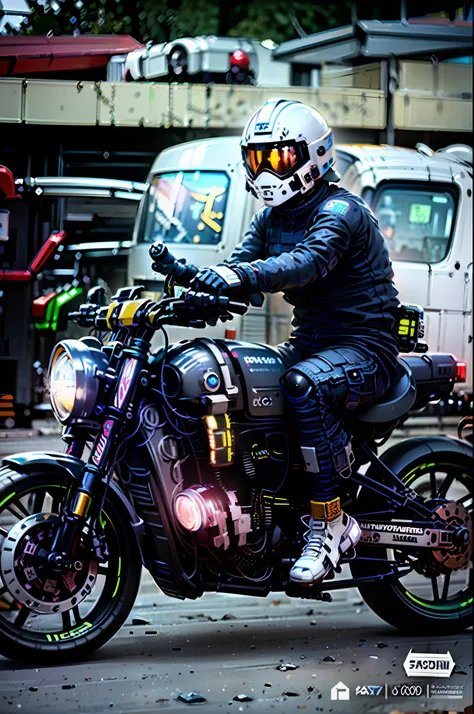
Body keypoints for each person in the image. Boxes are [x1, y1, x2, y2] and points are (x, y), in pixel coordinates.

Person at [155, 98, 400, 584]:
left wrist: (234, 276)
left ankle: (330, 522)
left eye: (279, 157)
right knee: (247, 378)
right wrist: (193, 289)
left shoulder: (341, 211)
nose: (267, 169)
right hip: (310, 342)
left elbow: (305, 263)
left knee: (301, 386)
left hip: (366, 348)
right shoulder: (271, 220)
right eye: (257, 159)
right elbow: (239, 268)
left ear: (313, 155)